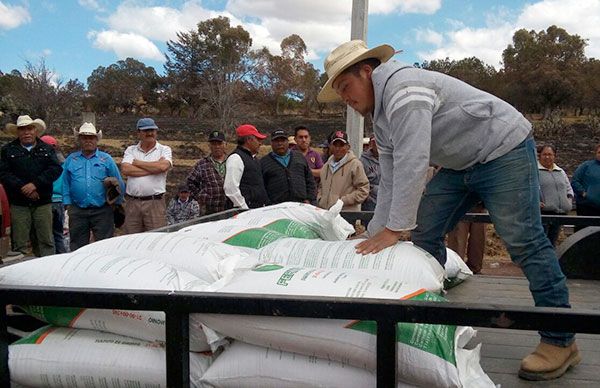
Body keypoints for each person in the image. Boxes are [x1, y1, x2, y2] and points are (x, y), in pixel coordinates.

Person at [317, 40, 578, 381]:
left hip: (504, 149)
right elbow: (392, 178)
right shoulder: (380, 118)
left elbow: (413, 162)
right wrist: (375, 232)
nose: (346, 99)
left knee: (524, 240)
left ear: (367, 71)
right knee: (425, 230)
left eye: (346, 87)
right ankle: (426, 314)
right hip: (460, 163)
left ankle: (561, 340)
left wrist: (394, 230)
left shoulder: (404, 89)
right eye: (340, 93)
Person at [0, 115, 62, 256]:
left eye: (29, 129)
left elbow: (55, 169)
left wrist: (35, 185)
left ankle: (47, 271)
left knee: (46, 240)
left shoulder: (47, 149)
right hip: (18, 203)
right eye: (22, 129)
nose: (26, 132)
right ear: (17, 132)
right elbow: (4, 173)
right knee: (19, 242)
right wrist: (24, 187)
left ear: (35, 130)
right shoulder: (8, 150)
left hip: (43, 202)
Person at [62, 123, 125, 251]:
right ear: (79, 140)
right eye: (84, 138)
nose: (88, 141)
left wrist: (117, 204)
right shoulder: (71, 159)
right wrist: (68, 204)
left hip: (102, 210)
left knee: (105, 246)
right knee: (78, 247)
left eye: (91, 138)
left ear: (96, 140)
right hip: (78, 210)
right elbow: (65, 182)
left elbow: (119, 182)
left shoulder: (106, 159)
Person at [121, 118, 172, 233]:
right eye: (146, 130)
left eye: (152, 130)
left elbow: (162, 167)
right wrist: (154, 169)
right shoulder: (130, 150)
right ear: (138, 133)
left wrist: (137, 162)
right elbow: (126, 169)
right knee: (131, 240)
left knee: (156, 239)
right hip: (132, 204)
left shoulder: (164, 150)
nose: (150, 133)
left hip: (155, 203)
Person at [260, 129, 316, 205]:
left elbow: (310, 180)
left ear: (287, 142)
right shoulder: (264, 162)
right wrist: (268, 204)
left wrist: (309, 199)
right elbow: (261, 187)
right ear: (271, 143)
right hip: (276, 208)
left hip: (301, 206)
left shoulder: (299, 157)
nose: (280, 143)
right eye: (276, 141)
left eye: (283, 140)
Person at [318, 130, 369, 211]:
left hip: (346, 213)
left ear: (348, 147)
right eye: (335, 145)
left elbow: (363, 190)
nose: (338, 148)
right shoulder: (326, 166)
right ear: (330, 146)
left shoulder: (355, 165)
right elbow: (321, 186)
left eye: (341, 145)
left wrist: (343, 201)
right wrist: (320, 199)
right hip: (326, 213)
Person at [224, 124, 269, 209]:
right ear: (249, 140)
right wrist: (244, 208)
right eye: (258, 139)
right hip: (244, 213)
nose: (260, 143)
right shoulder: (236, 158)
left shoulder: (254, 159)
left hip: (256, 210)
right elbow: (230, 188)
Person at [186, 130, 231, 215]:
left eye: (219, 143)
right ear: (209, 146)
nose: (217, 147)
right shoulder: (202, 164)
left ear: (225, 145)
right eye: (214, 144)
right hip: (209, 211)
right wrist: (201, 197)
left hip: (230, 208)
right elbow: (190, 183)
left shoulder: (232, 161)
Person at [537, 144, 573, 244]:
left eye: (550, 154)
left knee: (552, 242)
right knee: (541, 242)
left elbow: (569, 189)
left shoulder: (560, 171)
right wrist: (535, 202)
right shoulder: (534, 171)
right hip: (543, 213)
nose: (547, 157)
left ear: (554, 156)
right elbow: (527, 189)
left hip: (559, 213)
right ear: (539, 156)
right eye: (544, 154)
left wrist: (568, 201)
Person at [40, 135, 67, 254]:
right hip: (60, 201)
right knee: (59, 234)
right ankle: (62, 258)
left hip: (46, 201)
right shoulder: (64, 163)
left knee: (46, 236)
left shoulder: (42, 163)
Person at [446, 203, 486, 274]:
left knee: (476, 238)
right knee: (460, 238)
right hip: (470, 201)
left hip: (469, 201)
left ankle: (460, 268)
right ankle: (458, 268)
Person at [571, 143, 600, 231]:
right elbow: (575, 181)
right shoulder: (586, 166)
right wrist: (583, 193)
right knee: (583, 233)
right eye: (599, 152)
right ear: (596, 153)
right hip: (586, 207)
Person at [359, 135, 380, 211]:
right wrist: (367, 197)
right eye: (374, 142)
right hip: (370, 200)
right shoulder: (362, 161)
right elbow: (360, 181)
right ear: (370, 144)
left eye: (378, 142)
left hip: (387, 198)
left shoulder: (389, 159)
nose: (376, 145)